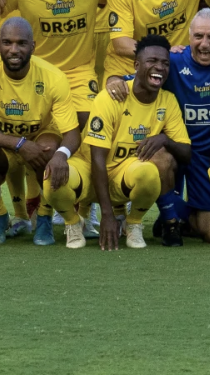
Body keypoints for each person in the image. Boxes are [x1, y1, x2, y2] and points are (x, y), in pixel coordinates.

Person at [112, 9, 210, 245]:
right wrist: (114, 80)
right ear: (189, 37)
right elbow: (135, 77)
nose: (204, 44)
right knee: (158, 155)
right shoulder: (173, 61)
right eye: (198, 36)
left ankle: (180, 216)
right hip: (176, 152)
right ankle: (169, 220)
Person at [0, 16, 78, 247]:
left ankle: (43, 217)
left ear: (33, 46)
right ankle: (0, 215)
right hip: (2, 144)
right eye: (8, 43)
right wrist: (21, 144)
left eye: (21, 43)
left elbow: (72, 132)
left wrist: (62, 155)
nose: (14, 50)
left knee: (52, 148)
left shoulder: (54, 77)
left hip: (40, 140)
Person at [80, 35, 190, 251]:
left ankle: (145, 223)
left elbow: (186, 154)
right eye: (152, 61)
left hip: (128, 173)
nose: (159, 67)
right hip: (93, 174)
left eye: (165, 63)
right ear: (136, 65)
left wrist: (164, 139)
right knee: (60, 180)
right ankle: (71, 220)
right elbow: (97, 158)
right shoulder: (113, 94)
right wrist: (107, 215)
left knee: (164, 158)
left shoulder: (167, 100)